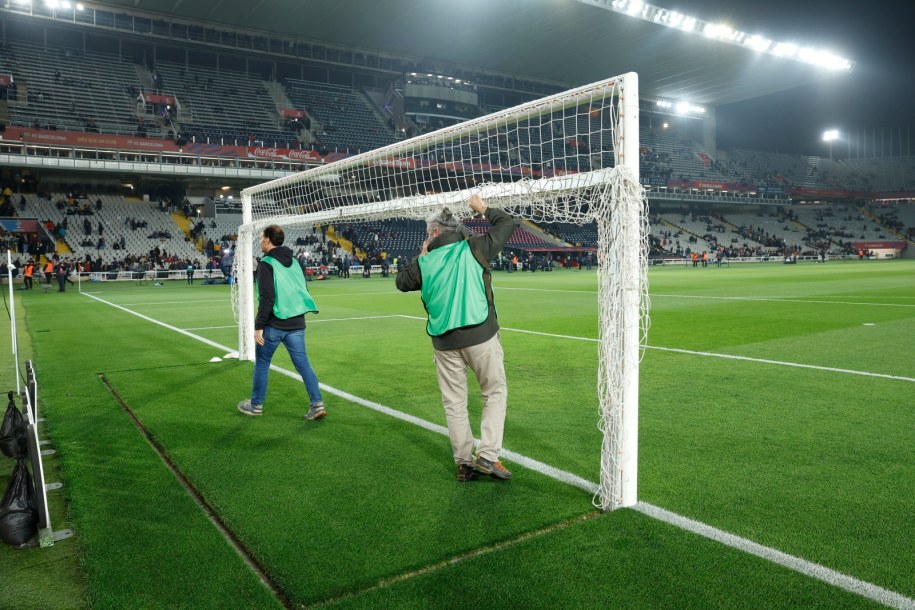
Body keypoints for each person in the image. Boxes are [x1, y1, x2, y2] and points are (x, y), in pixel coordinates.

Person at [395, 194, 514, 482]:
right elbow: (507, 223)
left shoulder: (425, 262)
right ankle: (488, 456)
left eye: (428, 233)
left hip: (444, 342)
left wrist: (422, 255)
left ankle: (464, 462)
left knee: (455, 403)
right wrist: (483, 209)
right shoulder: (474, 247)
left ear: (435, 233)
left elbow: (402, 282)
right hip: (480, 334)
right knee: (494, 393)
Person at [238, 224, 326, 420]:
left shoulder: (266, 263)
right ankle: (317, 404)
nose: (260, 241)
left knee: (262, 363)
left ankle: (256, 405)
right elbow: (301, 289)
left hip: (274, 324)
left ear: (268, 240)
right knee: (303, 364)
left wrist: (259, 326)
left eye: (261, 238)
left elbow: (267, 297)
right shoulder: (294, 261)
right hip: (297, 322)